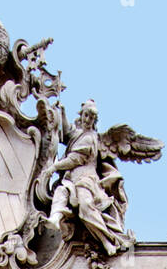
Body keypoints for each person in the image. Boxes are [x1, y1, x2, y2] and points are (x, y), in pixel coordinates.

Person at [48, 101, 130, 256]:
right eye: (86, 115)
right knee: (61, 192)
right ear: (81, 114)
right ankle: (54, 219)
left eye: (91, 117)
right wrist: (63, 112)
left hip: (86, 180)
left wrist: (54, 167)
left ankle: (108, 240)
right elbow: (66, 133)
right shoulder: (79, 133)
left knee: (85, 206)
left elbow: (75, 159)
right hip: (72, 179)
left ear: (94, 120)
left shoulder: (91, 138)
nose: (87, 120)